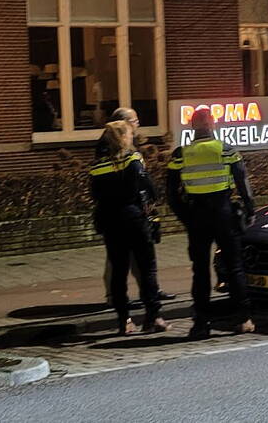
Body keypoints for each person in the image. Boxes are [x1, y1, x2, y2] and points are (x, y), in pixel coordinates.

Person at [167, 109, 256, 340]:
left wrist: (184, 216)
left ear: (192, 126)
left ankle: (201, 322)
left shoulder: (180, 154)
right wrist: (249, 209)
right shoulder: (225, 150)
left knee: (200, 271)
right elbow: (242, 182)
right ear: (212, 125)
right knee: (234, 266)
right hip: (224, 212)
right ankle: (243, 318)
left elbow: (171, 193)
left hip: (196, 215)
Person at [89, 120, 167, 334]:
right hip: (134, 219)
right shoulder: (133, 159)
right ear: (123, 138)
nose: (132, 137)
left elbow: (95, 195)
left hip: (111, 222)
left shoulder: (98, 166)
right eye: (130, 134)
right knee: (147, 269)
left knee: (119, 272)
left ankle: (124, 322)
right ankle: (154, 317)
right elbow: (148, 189)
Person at [97, 108, 175, 305]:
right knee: (123, 260)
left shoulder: (124, 146)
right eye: (135, 120)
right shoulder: (112, 147)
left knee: (130, 258)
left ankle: (149, 292)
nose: (138, 123)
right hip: (127, 213)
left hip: (119, 213)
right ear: (124, 123)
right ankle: (116, 297)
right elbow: (138, 182)